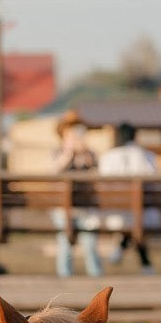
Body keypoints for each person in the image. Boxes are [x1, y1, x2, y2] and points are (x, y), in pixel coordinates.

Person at [98, 121, 157, 270]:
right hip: (144, 210)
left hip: (117, 211)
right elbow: (155, 182)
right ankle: (146, 265)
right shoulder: (147, 155)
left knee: (132, 225)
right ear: (134, 136)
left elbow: (103, 184)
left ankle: (124, 251)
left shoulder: (108, 156)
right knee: (136, 225)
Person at [50, 109, 102, 278]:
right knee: (65, 245)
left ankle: (96, 277)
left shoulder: (90, 153)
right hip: (64, 208)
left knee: (90, 245)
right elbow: (54, 172)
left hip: (86, 207)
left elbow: (97, 173)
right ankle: (64, 276)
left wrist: (85, 154)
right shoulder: (58, 152)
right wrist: (69, 153)